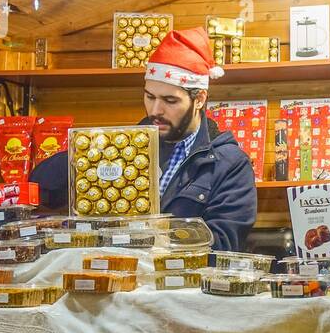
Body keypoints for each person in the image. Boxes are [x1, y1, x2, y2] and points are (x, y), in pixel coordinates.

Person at [32, 26, 256, 250]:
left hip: (178, 282)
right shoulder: (124, 147)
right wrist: (88, 154)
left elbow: (224, 244)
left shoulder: (229, 164)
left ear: (199, 99)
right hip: (114, 274)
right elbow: (41, 187)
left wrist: (155, 235)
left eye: (170, 100)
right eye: (150, 97)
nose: (155, 110)